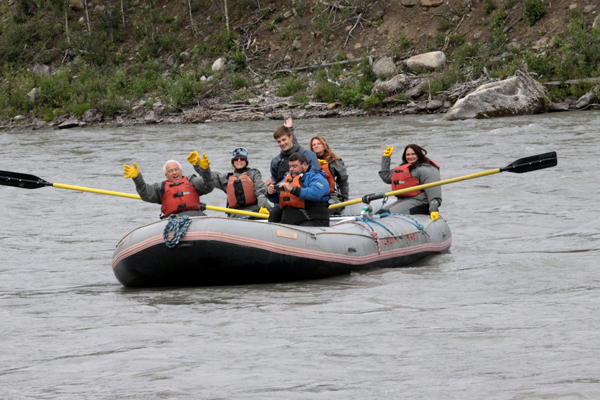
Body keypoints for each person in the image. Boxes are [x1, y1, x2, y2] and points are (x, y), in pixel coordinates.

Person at [123, 152, 215, 218]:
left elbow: (209, 185)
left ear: (181, 171)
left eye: (176, 169)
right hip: (172, 220)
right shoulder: (160, 188)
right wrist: (137, 178)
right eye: (170, 171)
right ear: (166, 175)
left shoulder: (192, 181)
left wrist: (205, 170)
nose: (174, 172)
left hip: (196, 217)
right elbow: (146, 193)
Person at [377, 144, 441, 220]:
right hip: (404, 201)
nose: (410, 157)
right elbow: (386, 176)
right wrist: (386, 157)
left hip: (421, 203)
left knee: (386, 215)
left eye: (413, 154)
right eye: (408, 154)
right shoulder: (405, 168)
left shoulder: (427, 169)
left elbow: (434, 191)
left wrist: (434, 209)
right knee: (380, 213)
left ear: (419, 154)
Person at [267, 152, 330, 227]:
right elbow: (279, 198)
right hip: (293, 219)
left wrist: (293, 189)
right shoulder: (288, 178)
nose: (291, 169)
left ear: (305, 165)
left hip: (314, 220)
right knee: (275, 212)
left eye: (294, 166)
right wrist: (271, 193)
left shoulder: (317, 178)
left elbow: (315, 193)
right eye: (290, 166)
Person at [211, 147, 270, 218]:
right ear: (233, 162)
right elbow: (209, 177)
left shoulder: (253, 174)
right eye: (236, 159)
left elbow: (260, 190)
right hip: (235, 212)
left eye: (242, 158)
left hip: (255, 210)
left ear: (246, 161)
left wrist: (263, 206)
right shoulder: (226, 178)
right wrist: (201, 168)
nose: (239, 160)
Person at [265, 118, 320, 186]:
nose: (282, 143)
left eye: (284, 140)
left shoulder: (309, 155)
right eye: (279, 141)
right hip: (283, 195)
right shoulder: (275, 161)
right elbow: (274, 179)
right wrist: (270, 182)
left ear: (291, 138)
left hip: (305, 194)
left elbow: (318, 180)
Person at [309, 135, 350, 215]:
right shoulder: (309, 162)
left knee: (331, 209)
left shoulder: (334, 161)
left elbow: (342, 181)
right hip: (314, 195)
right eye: (314, 145)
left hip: (330, 195)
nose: (316, 146)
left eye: (318, 144)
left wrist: (344, 196)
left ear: (324, 146)